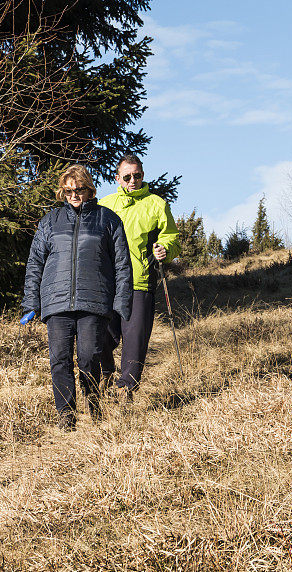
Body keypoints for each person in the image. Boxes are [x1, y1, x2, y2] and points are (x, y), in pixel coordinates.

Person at [22, 165, 132, 431]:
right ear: (63, 191)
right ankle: (66, 415)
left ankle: (94, 405)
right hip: (56, 302)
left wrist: (121, 303)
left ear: (90, 190)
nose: (74, 195)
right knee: (59, 359)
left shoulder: (108, 220)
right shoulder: (50, 221)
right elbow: (35, 262)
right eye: (69, 190)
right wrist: (30, 302)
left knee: (88, 357)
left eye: (79, 190)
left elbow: (122, 264)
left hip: (93, 301)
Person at [99, 154, 180, 402]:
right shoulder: (105, 204)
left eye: (137, 175)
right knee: (101, 336)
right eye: (127, 176)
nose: (133, 180)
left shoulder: (156, 204)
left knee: (135, 340)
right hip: (108, 283)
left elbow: (171, 237)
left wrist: (165, 249)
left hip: (140, 281)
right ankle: (105, 376)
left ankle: (126, 391)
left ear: (143, 175)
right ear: (118, 178)